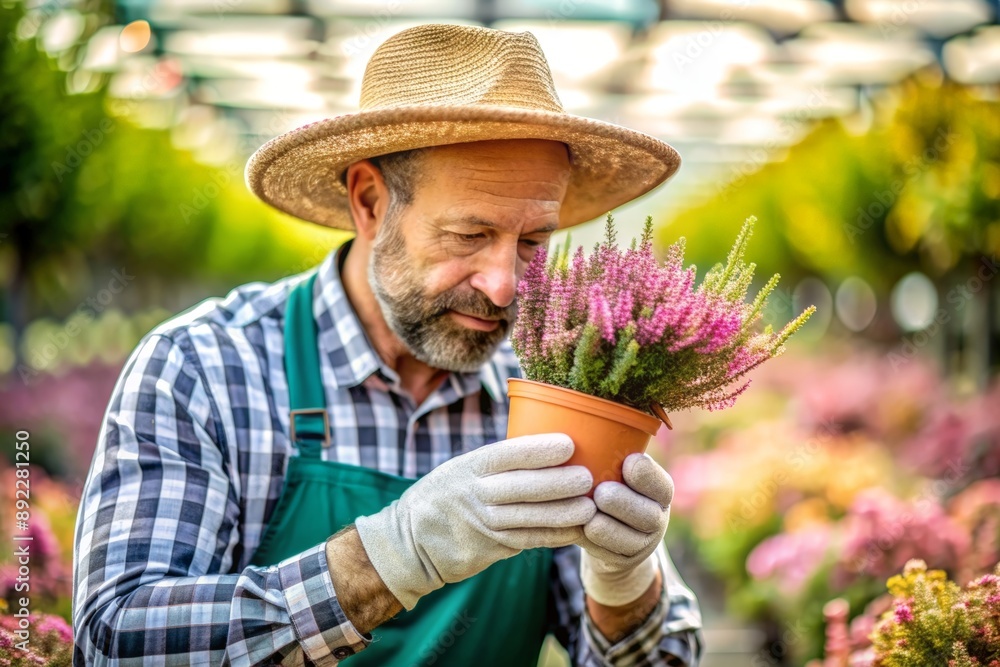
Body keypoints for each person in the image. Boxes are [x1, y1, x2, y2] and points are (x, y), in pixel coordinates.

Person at [73, 23, 703, 666]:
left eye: (533, 242)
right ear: (370, 202)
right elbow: (116, 640)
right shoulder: (204, 369)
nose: (505, 286)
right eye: (468, 235)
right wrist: (391, 555)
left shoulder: (556, 383)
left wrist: (624, 586)